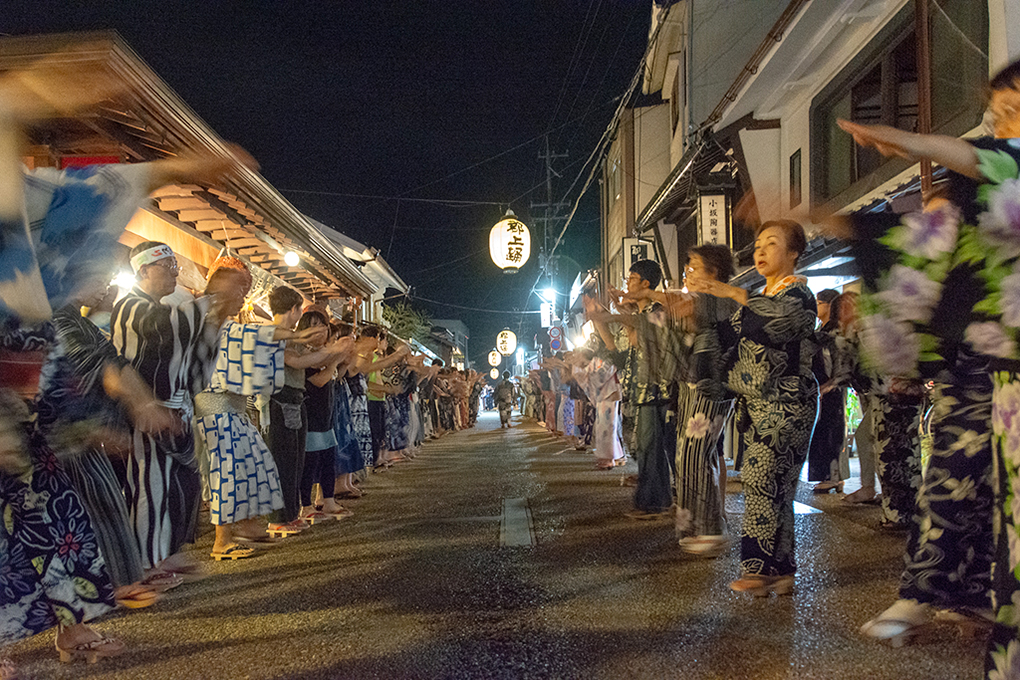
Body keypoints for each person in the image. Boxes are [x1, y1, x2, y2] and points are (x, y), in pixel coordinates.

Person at [0, 60, 250, 671]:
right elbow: (12, 101)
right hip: (18, 357)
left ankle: (73, 630)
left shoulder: (33, 257)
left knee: (54, 511)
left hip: (26, 361)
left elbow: (68, 353)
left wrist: (97, 419)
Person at [828, 60, 1020, 661]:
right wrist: (815, 217)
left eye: (1017, 106)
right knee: (952, 477)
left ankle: (973, 592)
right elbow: (907, 242)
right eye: (1001, 108)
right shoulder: (980, 192)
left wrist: (904, 138)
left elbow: (972, 157)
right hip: (979, 356)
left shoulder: (1002, 165)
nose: (1005, 119)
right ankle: (936, 587)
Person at [688, 220, 817, 595]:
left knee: (762, 481)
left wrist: (727, 291)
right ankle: (781, 570)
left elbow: (783, 320)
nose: (760, 250)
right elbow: (723, 339)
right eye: (758, 244)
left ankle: (757, 569)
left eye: (772, 243)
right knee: (777, 489)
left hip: (787, 404)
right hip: (762, 406)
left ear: (793, 253)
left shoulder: (797, 296)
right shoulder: (760, 297)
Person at [195, 266, 329, 559]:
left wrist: (299, 334)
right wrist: (301, 335)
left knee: (256, 463)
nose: (243, 296)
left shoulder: (227, 325)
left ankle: (248, 526)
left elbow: (259, 333)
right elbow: (258, 334)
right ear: (219, 291)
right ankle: (222, 540)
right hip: (214, 405)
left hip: (235, 407)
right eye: (238, 289)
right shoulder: (201, 321)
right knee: (227, 470)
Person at [590, 259, 676, 520]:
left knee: (660, 446)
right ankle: (657, 500)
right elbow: (619, 354)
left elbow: (640, 336)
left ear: (646, 283)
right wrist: (601, 322)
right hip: (643, 390)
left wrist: (613, 314)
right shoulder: (639, 314)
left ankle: (661, 501)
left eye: (631, 278)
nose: (627, 284)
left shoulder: (657, 309)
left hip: (660, 390)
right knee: (651, 445)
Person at [264, 287, 339, 536]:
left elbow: (312, 360)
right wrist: (331, 352)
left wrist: (332, 354)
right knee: (284, 460)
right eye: (300, 311)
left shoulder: (290, 336)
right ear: (295, 309)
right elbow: (296, 361)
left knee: (295, 461)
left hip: (294, 399)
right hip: (281, 398)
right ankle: (280, 517)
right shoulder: (275, 334)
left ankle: (291, 514)